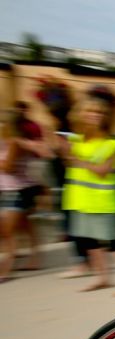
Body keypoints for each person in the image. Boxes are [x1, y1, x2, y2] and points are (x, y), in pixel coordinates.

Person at [59, 98, 115, 296]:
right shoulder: (75, 140)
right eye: (91, 112)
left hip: (105, 201)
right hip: (80, 200)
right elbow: (66, 162)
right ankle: (102, 278)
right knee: (89, 243)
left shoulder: (114, 143)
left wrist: (77, 160)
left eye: (100, 113)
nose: (96, 116)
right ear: (81, 115)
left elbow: (104, 170)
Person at [0, 110, 46, 282]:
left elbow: (8, 168)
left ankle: (6, 270)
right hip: (15, 189)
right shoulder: (9, 141)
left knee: (7, 232)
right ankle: (35, 258)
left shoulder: (14, 142)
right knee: (25, 226)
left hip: (16, 191)